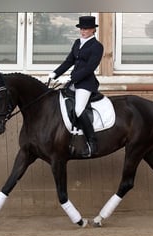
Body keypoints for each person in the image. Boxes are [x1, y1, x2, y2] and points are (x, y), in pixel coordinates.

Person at [48, 16, 104, 157]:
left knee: (79, 109)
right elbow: (69, 61)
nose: (83, 31)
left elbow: (90, 68)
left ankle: (92, 143)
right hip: (73, 82)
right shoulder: (77, 42)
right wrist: (54, 73)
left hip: (85, 83)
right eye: (81, 28)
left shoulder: (97, 46)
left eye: (86, 29)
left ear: (93, 30)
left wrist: (73, 77)